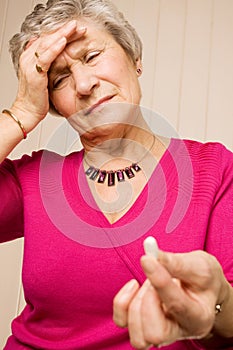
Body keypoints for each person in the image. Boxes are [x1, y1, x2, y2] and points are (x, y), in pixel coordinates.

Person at [0, 0, 232, 349]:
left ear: (134, 58)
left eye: (92, 56)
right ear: (51, 104)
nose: (83, 84)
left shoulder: (213, 168)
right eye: (59, 78)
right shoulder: (34, 180)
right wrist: (21, 111)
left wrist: (220, 303)